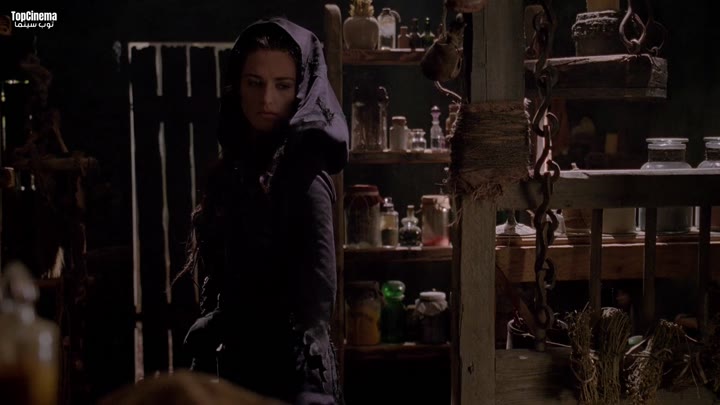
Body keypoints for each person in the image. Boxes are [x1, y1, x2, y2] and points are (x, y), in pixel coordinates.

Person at [179, 17, 347, 405]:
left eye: (282, 85)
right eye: (254, 83)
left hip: (292, 376)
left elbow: (314, 307)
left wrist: (308, 391)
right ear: (237, 87)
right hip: (239, 370)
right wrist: (216, 323)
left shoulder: (305, 178)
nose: (266, 98)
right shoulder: (235, 171)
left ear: (300, 90)